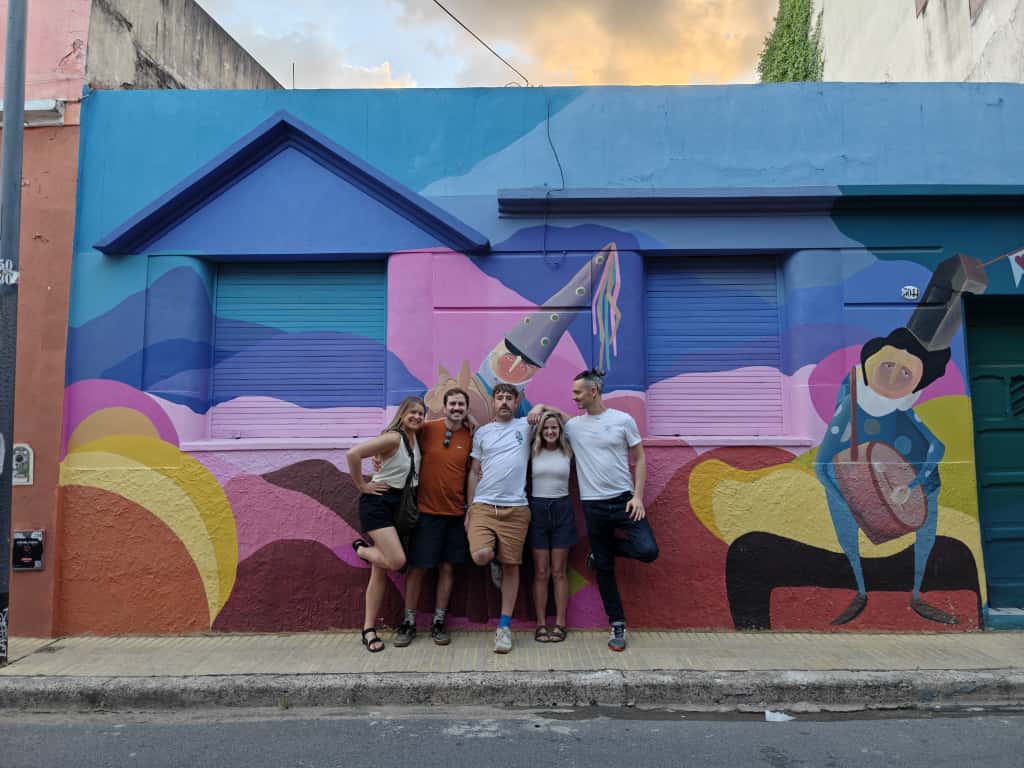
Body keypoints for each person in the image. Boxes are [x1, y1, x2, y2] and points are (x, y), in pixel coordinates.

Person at [815, 329, 955, 625]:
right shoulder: (849, 409)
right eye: (888, 366)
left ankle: (917, 595)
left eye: (905, 372)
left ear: (917, 383)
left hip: (917, 483)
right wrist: (847, 500)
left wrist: (915, 484)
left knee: (925, 532)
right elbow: (821, 465)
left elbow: (937, 446)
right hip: (855, 483)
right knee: (845, 525)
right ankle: (860, 591)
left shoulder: (905, 412)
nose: (892, 378)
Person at [529, 369, 658, 652]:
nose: (573, 397)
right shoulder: (574, 426)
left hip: (624, 500)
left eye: (577, 392)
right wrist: (540, 407)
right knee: (605, 569)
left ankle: (604, 552)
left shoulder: (623, 421)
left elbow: (640, 457)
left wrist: (637, 496)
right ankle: (618, 624)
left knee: (648, 550)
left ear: (593, 392)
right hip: (593, 505)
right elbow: (553, 417)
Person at [393, 388, 473, 647]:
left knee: (448, 568)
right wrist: (379, 459)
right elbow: (397, 438)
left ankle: (439, 621)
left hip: (456, 514)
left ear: (466, 408)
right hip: (426, 513)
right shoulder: (426, 428)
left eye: (461, 404)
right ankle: (409, 622)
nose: (457, 408)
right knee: (418, 569)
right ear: (445, 406)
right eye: (453, 404)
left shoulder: (472, 434)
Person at [346, 396, 425, 652]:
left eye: (421, 413)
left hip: (400, 507)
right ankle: (361, 550)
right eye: (412, 412)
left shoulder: (415, 440)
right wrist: (361, 484)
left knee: (379, 571)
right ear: (402, 414)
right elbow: (353, 453)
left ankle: (368, 629)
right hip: (379, 503)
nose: (417, 416)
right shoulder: (394, 438)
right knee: (397, 561)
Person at [466, 383, 532, 653]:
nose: (504, 402)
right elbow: (474, 471)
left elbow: (556, 418)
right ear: (493, 402)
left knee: (513, 567)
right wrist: (469, 508)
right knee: (480, 555)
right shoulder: (482, 432)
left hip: (516, 508)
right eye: (500, 397)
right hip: (484, 505)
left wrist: (539, 408)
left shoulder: (526, 427)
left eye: (509, 398)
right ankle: (493, 558)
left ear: (517, 402)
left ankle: (504, 627)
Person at [527, 411, 577, 643]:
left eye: (554, 428)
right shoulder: (532, 450)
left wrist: (547, 408)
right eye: (546, 427)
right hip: (537, 510)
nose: (549, 431)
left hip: (562, 510)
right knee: (540, 572)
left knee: (558, 571)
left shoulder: (568, 450)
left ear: (560, 430)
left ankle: (560, 623)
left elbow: (571, 421)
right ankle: (540, 623)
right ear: (540, 430)